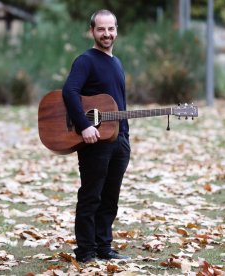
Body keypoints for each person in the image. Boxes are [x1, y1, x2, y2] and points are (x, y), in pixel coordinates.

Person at [62, 9, 131, 263]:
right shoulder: (86, 60)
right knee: (91, 196)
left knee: (110, 198)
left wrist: (125, 136)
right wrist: (84, 126)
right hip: (94, 140)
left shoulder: (117, 62)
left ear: (116, 30)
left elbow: (117, 103)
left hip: (119, 140)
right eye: (101, 29)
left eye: (111, 29)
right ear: (92, 31)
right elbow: (69, 92)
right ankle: (85, 251)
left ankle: (104, 247)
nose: (107, 34)